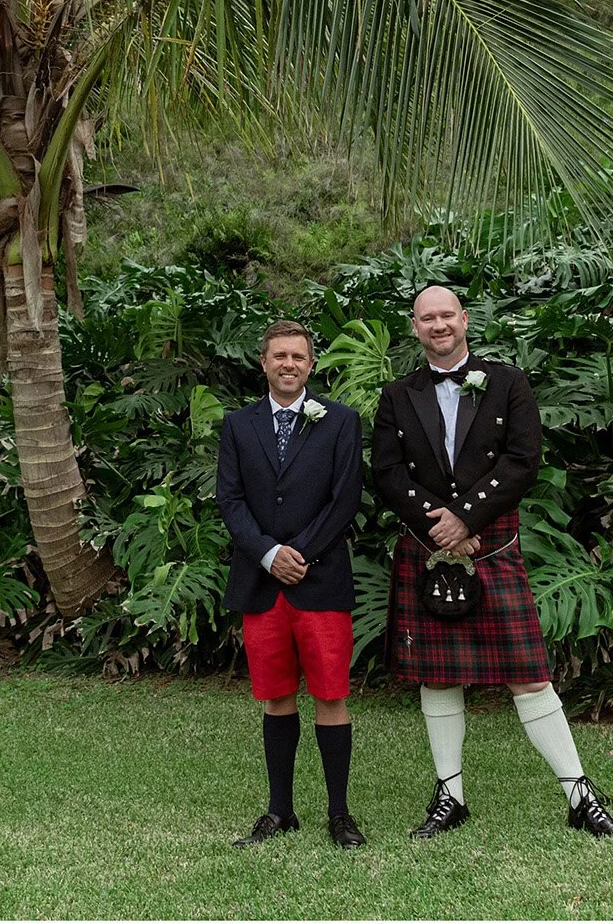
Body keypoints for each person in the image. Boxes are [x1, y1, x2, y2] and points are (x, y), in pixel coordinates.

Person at [370, 284, 613, 840]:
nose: (438, 326)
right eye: (426, 319)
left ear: (464, 319)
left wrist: (466, 519)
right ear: (415, 328)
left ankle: (579, 795)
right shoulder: (398, 394)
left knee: (528, 676)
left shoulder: (508, 381)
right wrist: (437, 524)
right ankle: (450, 796)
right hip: (428, 543)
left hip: (489, 541)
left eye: (446, 315)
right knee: (437, 679)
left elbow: (522, 460)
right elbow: (388, 473)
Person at [214, 321, 366, 849]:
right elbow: (229, 501)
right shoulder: (237, 425)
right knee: (276, 696)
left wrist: (300, 552)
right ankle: (280, 811)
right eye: (279, 355)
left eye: (298, 356)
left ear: (311, 364)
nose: (289, 364)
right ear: (263, 362)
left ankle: (340, 815)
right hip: (261, 584)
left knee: (331, 695)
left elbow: (344, 498)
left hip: (320, 580)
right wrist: (269, 553)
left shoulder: (341, 422)